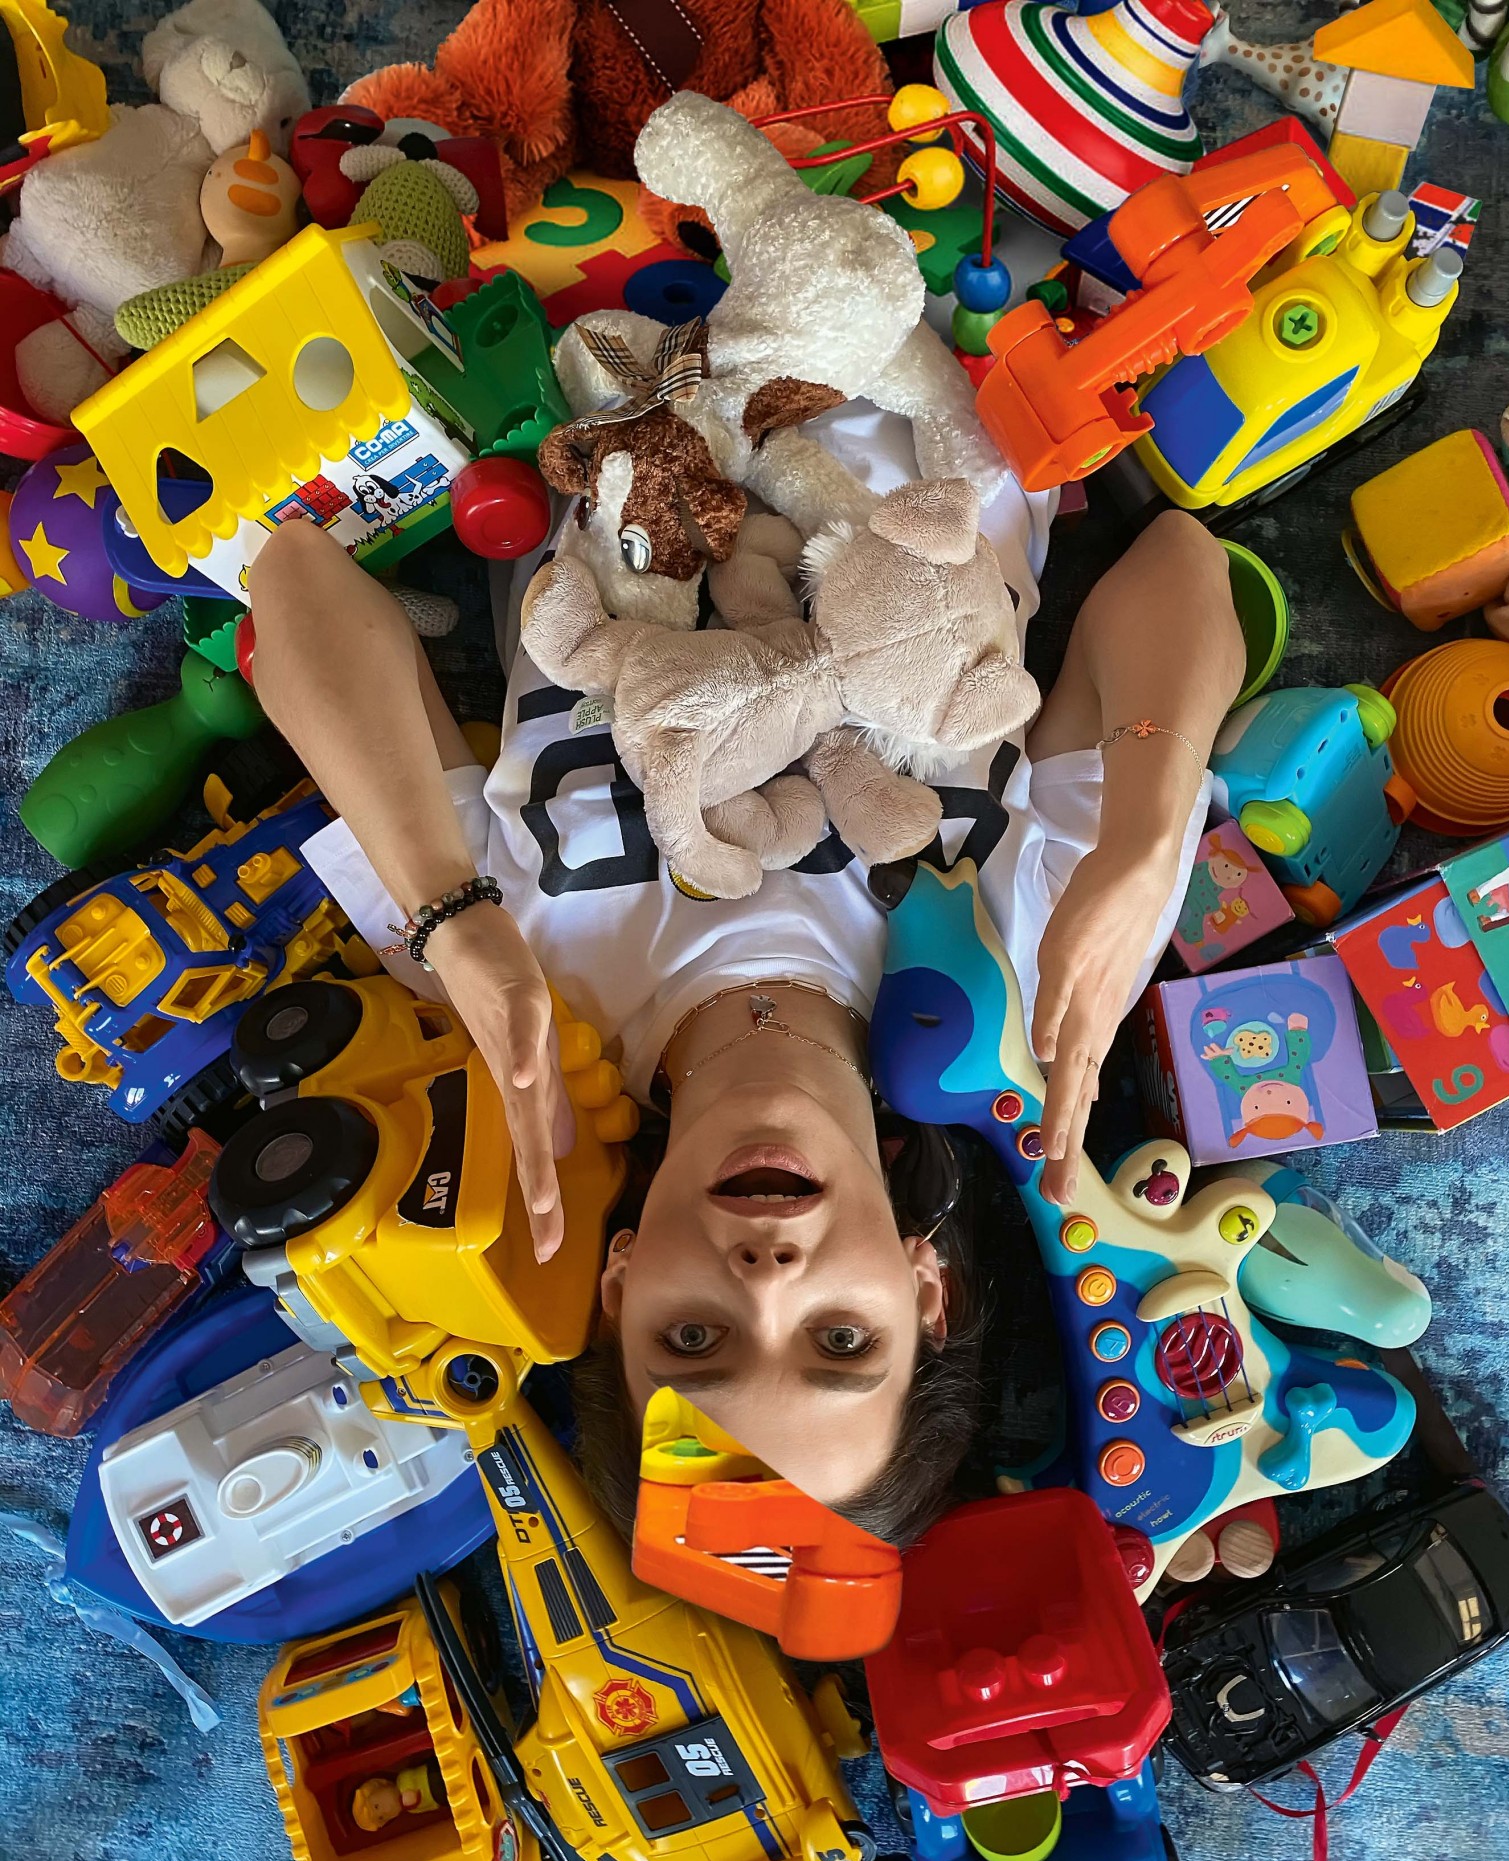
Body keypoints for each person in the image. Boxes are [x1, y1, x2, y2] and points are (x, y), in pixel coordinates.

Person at [245, 406, 1245, 1543]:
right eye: (840, 1340)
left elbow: (293, 578)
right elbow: (1178, 566)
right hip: (950, 361)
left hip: (596, 373)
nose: (766, 1278)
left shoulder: (506, 1004)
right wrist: (1144, 838)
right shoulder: (1038, 985)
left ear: (618, 1286)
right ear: (927, 1290)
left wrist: (448, 913)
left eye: (692, 1338)